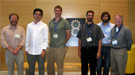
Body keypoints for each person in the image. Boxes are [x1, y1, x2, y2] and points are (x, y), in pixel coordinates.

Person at [77, 10, 104, 75]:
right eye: (88, 15)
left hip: (93, 49)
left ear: (93, 17)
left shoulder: (97, 27)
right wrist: (79, 50)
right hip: (84, 49)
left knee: (93, 67)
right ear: (86, 16)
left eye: (91, 15)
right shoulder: (82, 27)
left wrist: (99, 52)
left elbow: (100, 40)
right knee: (84, 67)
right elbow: (79, 39)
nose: (90, 17)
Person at [47, 5, 71, 75]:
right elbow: (50, 33)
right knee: (49, 66)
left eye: (59, 11)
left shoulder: (65, 22)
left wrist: (63, 43)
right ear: (54, 11)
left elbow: (69, 35)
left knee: (60, 67)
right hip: (51, 46)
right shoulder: (51, 22)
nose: (57, 12)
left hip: (60, 47)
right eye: (56, 10)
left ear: (61, 12)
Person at [25, 8, 49, 75]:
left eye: (39, 15)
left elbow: (46, 39)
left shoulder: (44, 26)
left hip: (40, 52)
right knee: (31, 69)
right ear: (33, 15)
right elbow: (27, 37)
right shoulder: (29, 25)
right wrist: (26, 48)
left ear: (41, 16)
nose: (37, 16)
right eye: (36, 14)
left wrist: (44, 50)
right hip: (30, 51)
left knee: (41, 69)